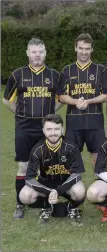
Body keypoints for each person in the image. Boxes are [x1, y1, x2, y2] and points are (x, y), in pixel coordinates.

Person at [3, 38, 62, 219]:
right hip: (24, 128)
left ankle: (47, 202)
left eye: (41, 52)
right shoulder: (18, 74)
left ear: (45, 53)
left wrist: (49, 116)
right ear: (28, 53)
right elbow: (7, 100)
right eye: (34, 52)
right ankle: (20, 204)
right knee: (23, 166)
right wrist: (21, 114)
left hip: (46, 129)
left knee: (49, 167)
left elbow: (60, 100)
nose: (37, 55)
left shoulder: (54, 75)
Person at [19, 114, 86, 223]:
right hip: (46, 185)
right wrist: (49, 191)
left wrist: (59, 191)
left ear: (62, 129)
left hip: (66, 184)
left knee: (79, 191)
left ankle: (71, 207)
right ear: (43, 131)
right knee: (25, 196)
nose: (53, 133)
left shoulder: (71, 147)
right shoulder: (37, 150)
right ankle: (47, 205)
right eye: (49, 129)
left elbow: (77, 174)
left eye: (56, 129)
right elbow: (29, 178)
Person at [58, 33, 107, 169]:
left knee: (98, 160)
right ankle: (71, 188)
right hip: (74, 123)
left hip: (95, 122)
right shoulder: (67, 70)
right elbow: (62, 96)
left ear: (92, 49)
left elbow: (106, 95)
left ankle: (98, 187)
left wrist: (89, 101)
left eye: (87, 48)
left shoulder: (101, 70)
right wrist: (76, 102)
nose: (84, 52)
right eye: (81, 48)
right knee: (69, 159)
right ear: (75, 48)